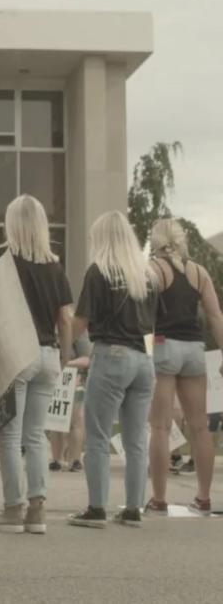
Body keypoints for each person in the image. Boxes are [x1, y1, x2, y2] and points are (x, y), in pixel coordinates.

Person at [0, 195, 73, 535]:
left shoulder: (0, 261)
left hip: (15, 355)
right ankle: (37, 510)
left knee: (9, 437)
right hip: (48, 354)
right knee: (36, 436)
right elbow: (65, 318)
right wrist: (64, 357)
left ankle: (12, 508)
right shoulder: (55, 266)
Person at [67, 211, 158, 529]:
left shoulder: (99, 272)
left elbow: (81, 321)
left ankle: (96, 509)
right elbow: (152, 323)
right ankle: (134, 508)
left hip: (111, 355)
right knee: (135, 441)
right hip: (143, 360)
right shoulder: (146, 275)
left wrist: (60, 343)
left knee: (97, 436)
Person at [145, 218, 222, 516]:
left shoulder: (153, 269)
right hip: (194, 349)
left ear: (155, 240)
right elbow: (215, 317)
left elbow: (145, 317)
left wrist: (146, 352)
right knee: (199, 426)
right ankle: (203, 498)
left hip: (163, 345)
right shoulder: (199, 271)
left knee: (160, 427)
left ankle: (159, 498)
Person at [49, 333, 90, 472]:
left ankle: (75, 460)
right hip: (54, 377)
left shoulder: (78, 334)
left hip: (74, 378)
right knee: (55, 421)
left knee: (76, 420)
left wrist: (67, 363)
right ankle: (56, 459)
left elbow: (87, 359)